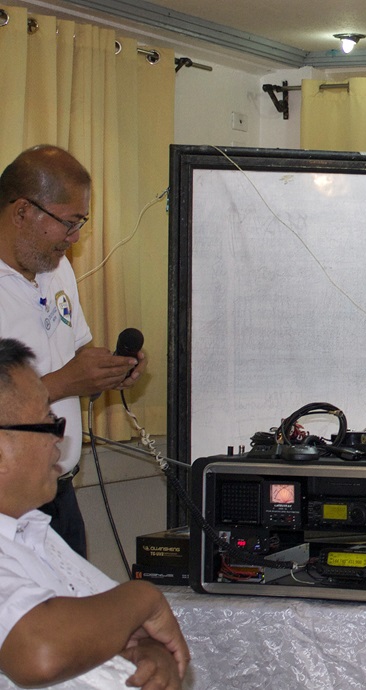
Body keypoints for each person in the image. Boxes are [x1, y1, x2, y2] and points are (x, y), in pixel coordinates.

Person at [0, 337, 187, 688]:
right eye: (49, 423)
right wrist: (144, 597)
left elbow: (115, 622)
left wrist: (150, 650)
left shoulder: (32, 529)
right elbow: (40, 650)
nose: (60, 438)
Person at [0, 145, 145, 557]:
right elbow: (61, 379)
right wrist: (66, 382)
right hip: (7, 508)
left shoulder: (56, 267)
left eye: (82, 222)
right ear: (22, 211)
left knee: (76, 614)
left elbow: (75, 354)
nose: (76, 236)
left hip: (60, 492)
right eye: (69, 221)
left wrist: (107, 371)